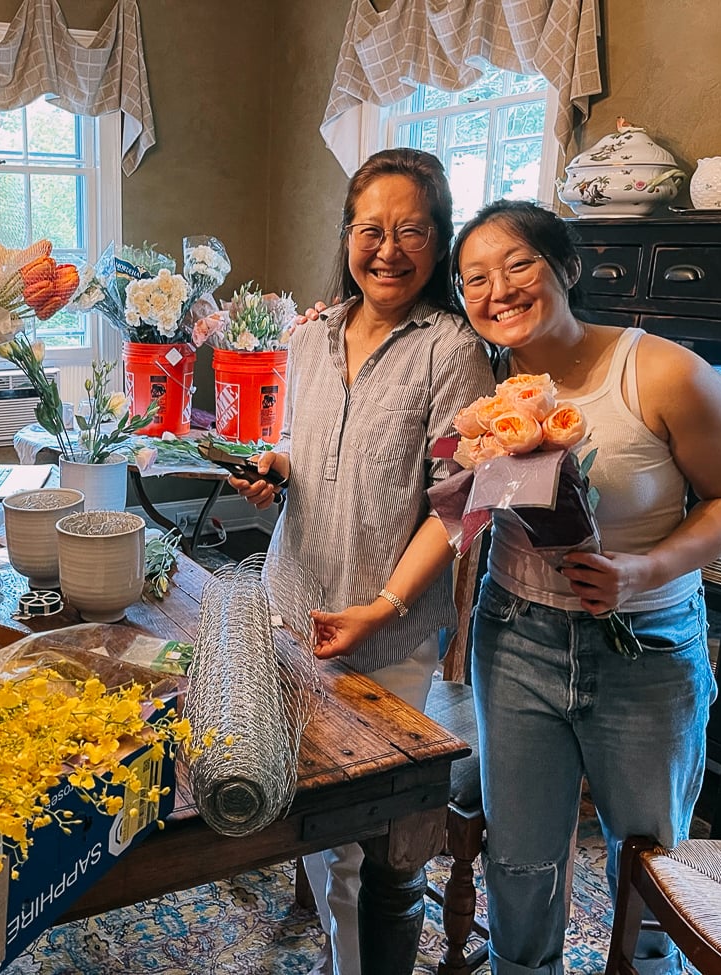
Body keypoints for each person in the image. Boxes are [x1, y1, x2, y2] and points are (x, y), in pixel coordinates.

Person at [450, 200, 721, 975]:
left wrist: (643, 571)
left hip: (648, 649)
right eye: (474, 278)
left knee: (650, 858)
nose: (498, 290)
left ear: (568, 267)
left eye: (518, 264)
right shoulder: (483, 384)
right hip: (516, 635)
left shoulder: (660, 370)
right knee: (519, 860)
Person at [228, 148, 495, 975]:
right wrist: (276, 469)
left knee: (366, 839)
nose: (389, 248)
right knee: (313, 810)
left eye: (411, 230)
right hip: (293, 601)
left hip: (389, 628)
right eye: (370, 228)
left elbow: (458, 503)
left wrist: (380, 607)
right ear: (346, 235)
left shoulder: (451, 349)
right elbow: (310, 445)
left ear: (439, 241)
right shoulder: (311, 336)